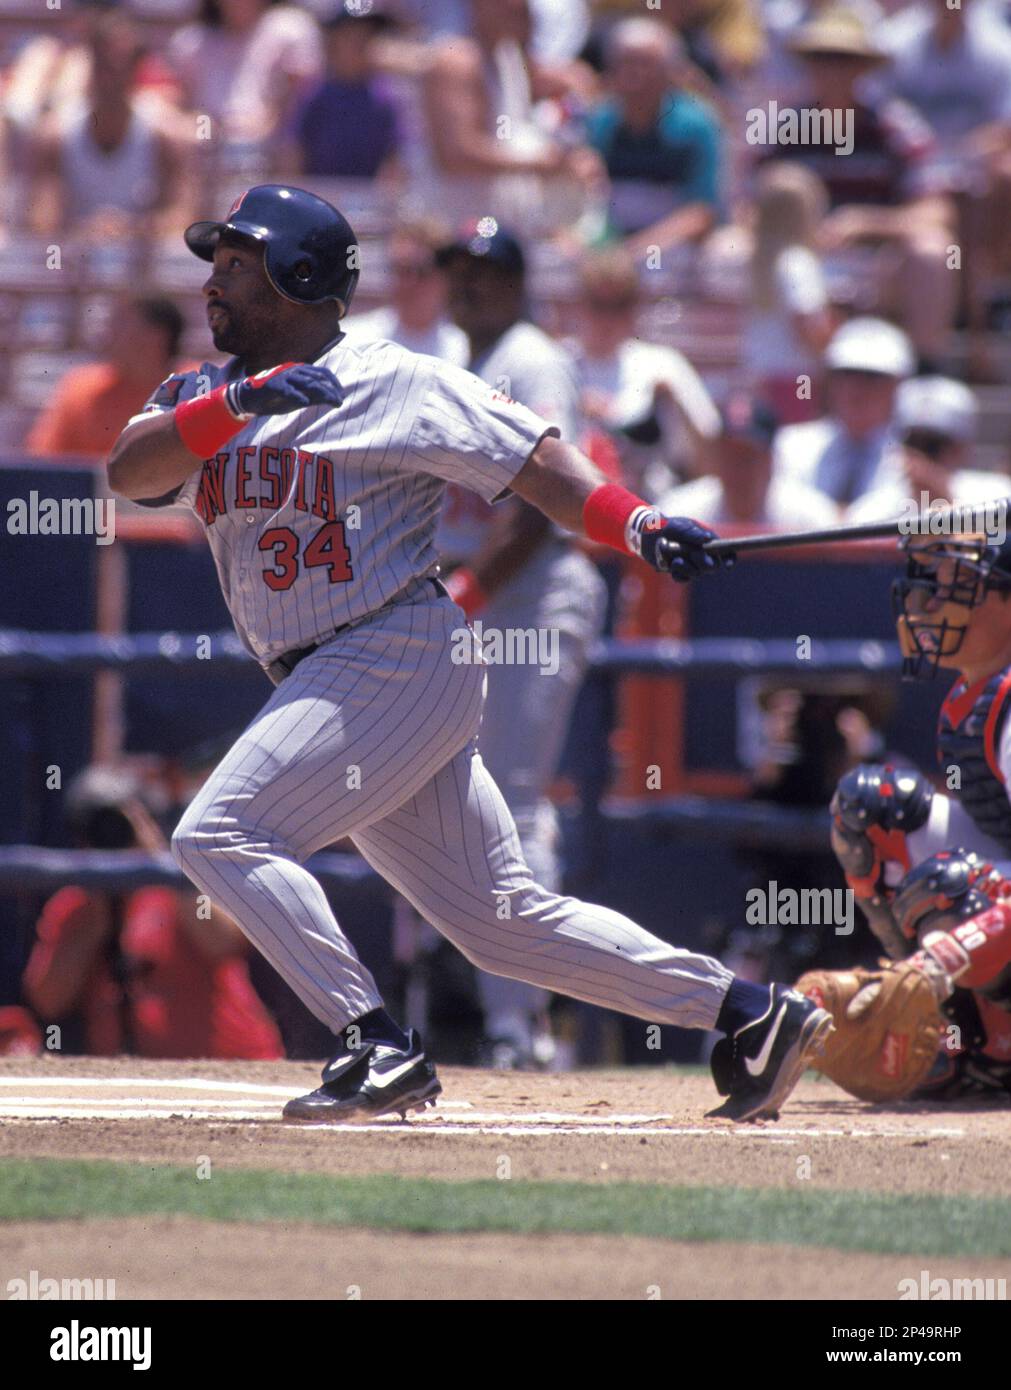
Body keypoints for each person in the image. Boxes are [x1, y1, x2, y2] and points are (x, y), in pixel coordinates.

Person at [106, 182, 832, 1124]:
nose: (215, 285)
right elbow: (130, 474)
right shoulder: (205, 390)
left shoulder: (392, 376)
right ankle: (749, 1011)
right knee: (499, 922)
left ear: (298, 276)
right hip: (339, 672)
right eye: (217, 265)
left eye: (239, 266)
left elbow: (537, 462)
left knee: (219, 832)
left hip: (389, 648)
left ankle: (375, 1044)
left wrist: (638, 521)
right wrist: (238, 403)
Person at [428, 220, 605, 1066]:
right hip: (478, 597)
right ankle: (486, 1015)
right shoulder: (452, 359)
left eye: (484, 270)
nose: (467, 283)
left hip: (529, 597)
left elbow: (545, 502)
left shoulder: (531, 358)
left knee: (514, 801)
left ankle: (523, 1025)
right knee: (448, 797)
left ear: (518, 281)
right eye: (456, 269)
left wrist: (465, 594)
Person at [824, 525, 1011, 1097]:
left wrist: (941, 958)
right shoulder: (977, 694)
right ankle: (955, 1034)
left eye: (960, 588)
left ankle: (997, 1053)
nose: (931, 604)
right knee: (874, 806)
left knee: (953, 889)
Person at [22, 767, 283, 1059]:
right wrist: (95, 922)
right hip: (135, 1085)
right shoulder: (74, 904)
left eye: (120, 825)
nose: (112, 839)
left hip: (234, 1066)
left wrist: (159, 860)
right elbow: (48, 1001)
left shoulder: (185, 886)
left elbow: (222, 943)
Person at [568, 246, 720, 495]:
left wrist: (674, 405)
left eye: (620, 305)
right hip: (576, 502)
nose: (608, 318)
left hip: (652, 504)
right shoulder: (557, 363)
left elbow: (708, 466)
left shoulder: (663, 364)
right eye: (598, 304)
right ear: (580, 303)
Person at [28, 11, 187, 240]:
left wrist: (132, 229)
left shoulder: (165, 136)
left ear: (137, 68)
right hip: (75, 266)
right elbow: (41, 221)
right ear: (91, 63)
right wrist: (86, 230)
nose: (113, 75)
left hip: (141, 268)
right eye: (105, 64)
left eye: (123, 64)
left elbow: (181, 217)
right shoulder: (56, 135)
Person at [584, 17, 723, 257]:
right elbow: (584, 201)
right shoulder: (598, 122)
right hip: (606, 247)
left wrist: (633, 252)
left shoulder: (696, 126)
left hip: (668, 250)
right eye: (625, 64)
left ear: (671, 73)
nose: (635, 76)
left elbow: (703, 213)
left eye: (646, 65)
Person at [772, 316, 915, 513]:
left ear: (897, 385)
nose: (856, 388)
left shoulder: (914, 458)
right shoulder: (789, 447)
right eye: (846, 374)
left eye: (872, 377)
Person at [28, 296, 185, 458]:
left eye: (120, 325)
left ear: (156, 337)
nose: (106, 335)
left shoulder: (199, 390)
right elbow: (44, 463)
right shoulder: (81, 390)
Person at [661, 393, 837, 530]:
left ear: (770, 461)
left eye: (748, 458)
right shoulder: (680, 513)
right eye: (730, 457)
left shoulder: (810, 518)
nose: (738, 470)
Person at [846, 375, 1011, 522]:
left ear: (960, 447)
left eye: (933, 445)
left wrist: (946, 500)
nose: (920, 456)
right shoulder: (876, 507)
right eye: (913, 443)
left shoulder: (997, 493)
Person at [745, 162, 834, 425]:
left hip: (762, 376)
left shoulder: (759, 262)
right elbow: (807, 324)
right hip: (798, 378)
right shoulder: (798, 262)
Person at [284, 0, 404, 181]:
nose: (361, 42)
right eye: (351, 34)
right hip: (319, 198)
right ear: (333, 40)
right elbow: (293, 154)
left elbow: (393, 160)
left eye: (368, 35)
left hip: (369, 204)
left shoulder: (384, 96)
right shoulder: (313, 93)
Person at [342, 218, 468, 365]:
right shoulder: (351, 342)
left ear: (446, 278)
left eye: (421, 272)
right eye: (400, 270)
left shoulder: (464, 350)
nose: (408, 283)